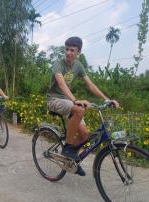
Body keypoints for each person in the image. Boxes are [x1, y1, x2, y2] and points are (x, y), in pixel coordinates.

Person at [47, 36, 119, 176]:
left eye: (72, 50)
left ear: (78, 52)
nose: (68, 52)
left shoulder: (78, 66)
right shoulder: (58, 64)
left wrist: (107, 99)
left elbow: (90, 85)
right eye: (66, 49)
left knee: (85, 135)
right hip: (54, 99)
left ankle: (70, 161)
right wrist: (75, 100)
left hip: (68, 101)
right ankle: (67, 148)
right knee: (79, 109)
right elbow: (61, 85)